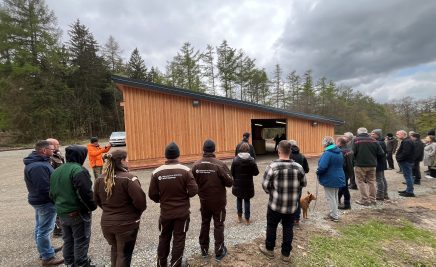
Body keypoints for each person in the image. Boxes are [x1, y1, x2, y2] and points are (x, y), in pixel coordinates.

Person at [94, 150, 147, 267]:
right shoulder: (129, 178)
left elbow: (97, 200)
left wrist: (109, 211)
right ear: (122, 161)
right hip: (126, 225)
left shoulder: (99, 179)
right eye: (126, 159)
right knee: (124, 255)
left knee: (115, 250)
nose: (128, 161)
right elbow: (141, 202)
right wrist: (135, 215)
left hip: (107, 223)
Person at [149, 142, 198, 267]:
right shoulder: (186, 171)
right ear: (178, 155)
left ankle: (161, 264)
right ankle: (175, 264)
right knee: (179, 239)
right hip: (182, 213)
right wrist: (184, 196)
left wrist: (162, 200)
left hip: (165, 213)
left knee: (164, 238)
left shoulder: (157, 172)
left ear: (166, 155)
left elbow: (152, 194)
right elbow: (193, 191)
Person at [259, 140, 306, 263]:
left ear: (278, 150)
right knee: (288, 228)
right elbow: (303, 183)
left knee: (271, 226)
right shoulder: (298, 167)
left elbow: (264, 185)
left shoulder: (272, 167)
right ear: (290, 151)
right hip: (291, 206)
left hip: (275, 205)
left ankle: (269, 250)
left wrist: (272, 192)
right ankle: (285, 254)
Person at [50, 145, 97, 267]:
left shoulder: (56, 171)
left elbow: (51, 193)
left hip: (62, 213)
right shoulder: (79, 170)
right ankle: (81, 263)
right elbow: (85, 193)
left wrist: (60, 206)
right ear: (81, 156)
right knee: (81, 240)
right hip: (77, 213)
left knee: (68, 239)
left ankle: (69, 262)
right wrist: (92, 206)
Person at [191, 139, 233, 262]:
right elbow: (230, 182)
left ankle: (204, 250)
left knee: (205, 223)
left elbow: (192, 184)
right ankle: (219, 252)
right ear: (214, 150)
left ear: (203, 149)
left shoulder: (195, 165)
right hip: (218, 202)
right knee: (218, 225)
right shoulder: (220, 165)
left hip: (204, 201)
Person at [23, 140, 64, 266]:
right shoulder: (38, 166)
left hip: (40, 201)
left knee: (40, 227)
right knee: (45, 229)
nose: (54, 151)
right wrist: (56, 198)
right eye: (52, 149)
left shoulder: (40, 162)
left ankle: (45, 250)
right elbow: (44, 188)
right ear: (43, 150)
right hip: (45, 202)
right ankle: (47, 257)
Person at [352, 127, 384, 206]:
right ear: (367, 132)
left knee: (360, 182)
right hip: (372, 164)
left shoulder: (355, 140)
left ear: (358, 132)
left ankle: (365, 200)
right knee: (371, 182)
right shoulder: (374, 140)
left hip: (360, 165)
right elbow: (381, 153)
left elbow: (352, 153)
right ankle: (373, 199)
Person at [317, 137, 346, 221]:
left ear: (325, 144)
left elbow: (322, 167)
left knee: (330, 197)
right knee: (334, 196)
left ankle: (334, 215)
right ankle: (334, 212)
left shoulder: (327, 153)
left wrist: (318, 171)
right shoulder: (339, 152)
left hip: (330, 178)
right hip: (339, 176)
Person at [231, 142, 259, 225]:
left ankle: (239, 218)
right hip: (248, 184)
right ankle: (247, 219)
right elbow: (256, 173)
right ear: (248, 150)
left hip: (238, 184)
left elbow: (232, 172)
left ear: (240, 149)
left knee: (239, 199)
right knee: (247, 201)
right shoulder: (251, 160)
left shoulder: (235, 160)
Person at [46, 138, 65, 237]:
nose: (58, 146)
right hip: (54, 186)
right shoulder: (49, 158)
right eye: (57, 144)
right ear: (51, 145)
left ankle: (60, 227)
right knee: (55, 209)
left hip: (60, 184)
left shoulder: (58, 154)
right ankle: (57, 230)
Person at [288, 140, 309, 224]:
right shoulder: (302, 156)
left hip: (288, 181)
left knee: (289, 200)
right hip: (299, 183)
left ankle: (289, 218)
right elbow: (306, 170)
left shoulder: (287, 156)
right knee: (297, 200)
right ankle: (296, 219)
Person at [396, 130, 416, 197]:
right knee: (408, 176)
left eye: (398, 134)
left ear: (403, 134)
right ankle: (408, 190)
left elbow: (406, 153)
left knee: (408, 176)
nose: (396, 135)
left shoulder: (407, 141)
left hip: (406, 161)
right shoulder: (407, 141)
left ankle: (410, 192)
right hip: (407, 161)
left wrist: (399, 158)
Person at [371, 129, 389, 201]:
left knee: (379, 179)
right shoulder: (380, 142)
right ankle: (384, 194)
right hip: (381, 162)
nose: (371, 135)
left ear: (377, 135)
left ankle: (380, 195)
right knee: (382, 178)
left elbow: (379, 153)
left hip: (379, 163)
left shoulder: (379, 143)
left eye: (373, 134)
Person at [336, 137, 354, 210]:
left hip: (343, 171)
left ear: (340, 142)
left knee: (344, 188)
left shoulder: (341, 151)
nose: (335, 143)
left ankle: (347, 204)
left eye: (336, 142)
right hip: (349, 171)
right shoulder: (350, 150)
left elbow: (342, 164)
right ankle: (338, 200)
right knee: (342, 186)